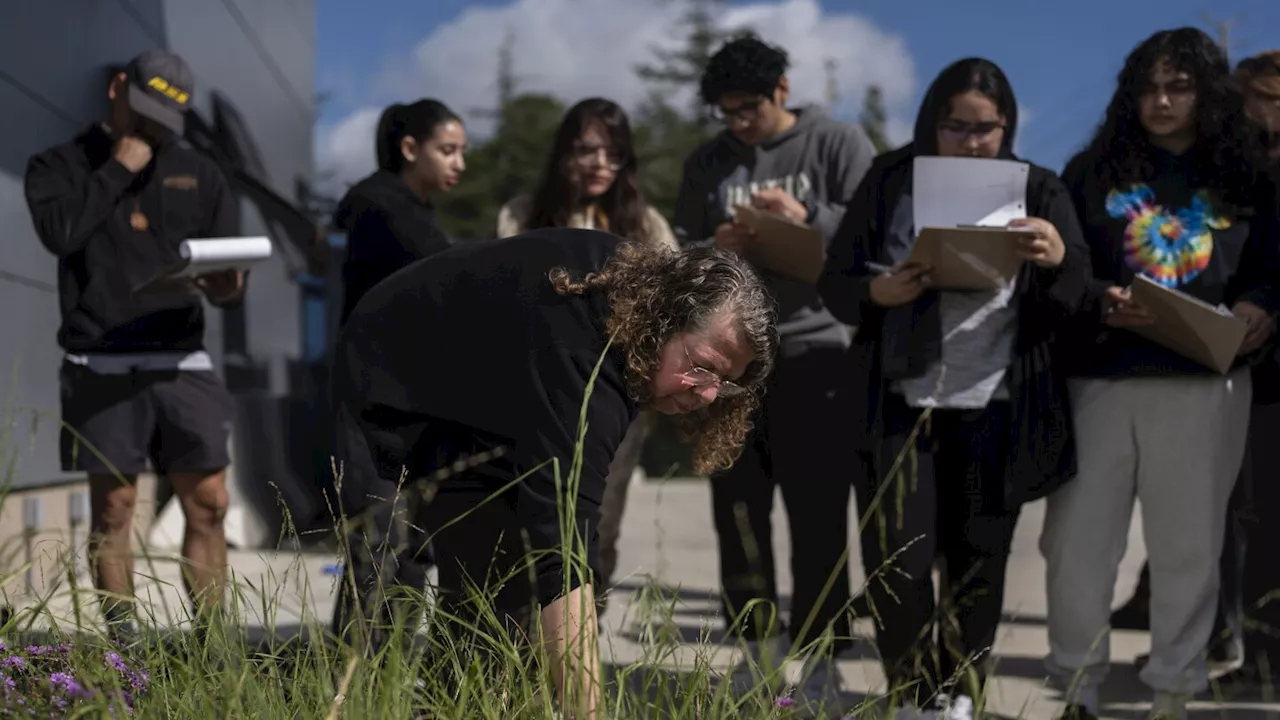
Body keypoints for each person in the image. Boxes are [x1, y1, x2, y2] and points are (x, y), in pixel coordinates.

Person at [330, 230, 777, 719]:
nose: (708, 396)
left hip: (483, 401)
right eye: (703, 367)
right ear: (664, 321)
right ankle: (349, 704)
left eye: (725, 384)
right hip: (389, 369)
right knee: (387, 569)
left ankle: (450, 706)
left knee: (500, 585)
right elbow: (565, 557)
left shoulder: (631, 342)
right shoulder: (583, 362)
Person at [819, 57, 1089, 720]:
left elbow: (1078, 294)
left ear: (1007, 127)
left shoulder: (1040, 188)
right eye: (954, 127)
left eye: (984, 130)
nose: (970, 142)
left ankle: (961, 695)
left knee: (977, 567)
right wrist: (877, 291)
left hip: (997, 403)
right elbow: (836, 282)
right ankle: (911, 696)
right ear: (931, 121)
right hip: (900, 403)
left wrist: (1056, 260)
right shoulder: (890, 179)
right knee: (900, 564)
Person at [1042, 28, 1279, 720]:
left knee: (1190, 548)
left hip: (1207, 384)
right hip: (1101, 381)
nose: (1162, 100)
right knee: (1077, 547)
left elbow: (1272, 271)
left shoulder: (1248, 178)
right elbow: (1065, 267)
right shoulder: (1093, 170)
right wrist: (1097, 300)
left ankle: (1174, 692)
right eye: (1148, 87)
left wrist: (1260, 307)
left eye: (1178, 87)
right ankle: (1078, 690)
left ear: (1209, 94)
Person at [671, 33, 876, 708]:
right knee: (737, 509)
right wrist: (716, 246)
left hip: (817, 349)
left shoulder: (838, 144)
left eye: (749, 109)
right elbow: (678, 253)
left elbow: (875, 235)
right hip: (729, 362)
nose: (738, 124)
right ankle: (755, 656)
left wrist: (806, 216)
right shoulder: (708, 163)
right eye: (726, 112)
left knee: (817, 512)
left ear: (782, 90)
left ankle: (821, 661)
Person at [23, 49, 246, 642]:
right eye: (143, 108)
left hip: (181, 358)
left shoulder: (200, 172)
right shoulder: (59, 164)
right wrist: (118, 167)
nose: (152, 127)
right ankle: (126, 648)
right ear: (118, 86)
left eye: (165, 118)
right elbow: (60, 233)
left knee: (211, 503)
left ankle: (213, 644)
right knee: (116, 509)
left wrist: (228, 288)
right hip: (99, 360)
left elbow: (225, 275)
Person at [496, 97, 678, 612]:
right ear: (562, 153)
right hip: (534, 395)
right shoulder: (521, 214)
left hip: (614, 400)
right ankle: (519, 650)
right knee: (525, 522)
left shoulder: (645, 224)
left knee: (599, 523)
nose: (600, 163)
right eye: (587, 149)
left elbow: (671, 309)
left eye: (614, 153)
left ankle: (579, 648)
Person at [335, 98, 466, 324]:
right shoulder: (378, 206)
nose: (459, 164)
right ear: (410, 149)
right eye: (447, 151)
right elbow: (443, 267)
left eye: (461, 152)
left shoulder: (412, 206)